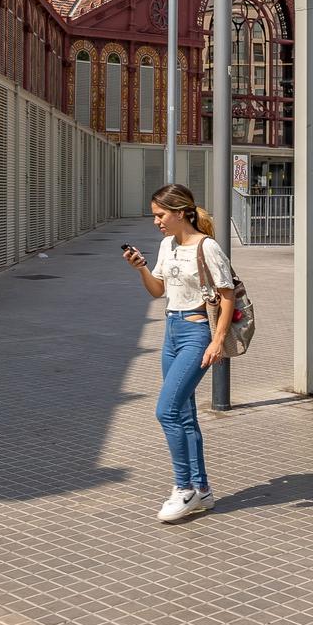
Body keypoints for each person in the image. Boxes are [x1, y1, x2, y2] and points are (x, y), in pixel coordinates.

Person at [123, 183, 236, 523]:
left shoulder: (207, 247)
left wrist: (217, 340)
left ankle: (183, 487)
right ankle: (202, 490)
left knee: (167, 411)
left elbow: (227, 294)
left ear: (180, 212)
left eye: (160, 215)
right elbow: (158, 291)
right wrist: (141, 267)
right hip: (171, 330)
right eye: (155, 215)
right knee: (184, 413)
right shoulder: (166, 245)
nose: (156, 221)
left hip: (196, 333)